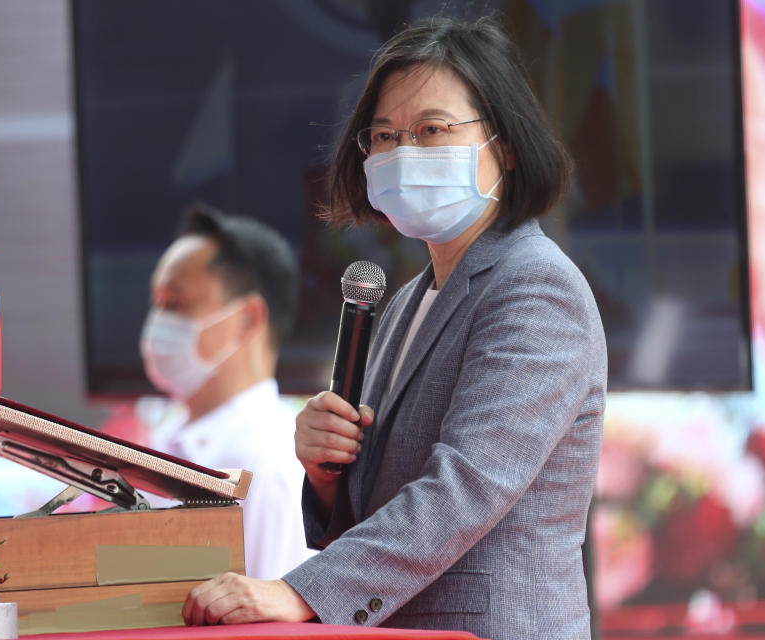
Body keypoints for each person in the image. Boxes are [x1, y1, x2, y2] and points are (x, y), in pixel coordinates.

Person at [181, 17, 606, 640]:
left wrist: (300, 588)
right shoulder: (406, 299)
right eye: (384, 135)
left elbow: (466, 488)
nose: (404, 153)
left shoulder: (536, 286)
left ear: (506, 145)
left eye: (432, 129)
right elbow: (373, 502)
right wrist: (329, 476)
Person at [139, 205, 314, 580]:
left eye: (176, 303)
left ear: (248, 318)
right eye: (157, 303)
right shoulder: (166, 443)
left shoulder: (269, 463)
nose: (158, 322)